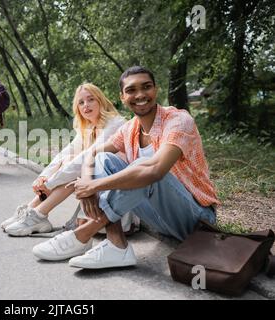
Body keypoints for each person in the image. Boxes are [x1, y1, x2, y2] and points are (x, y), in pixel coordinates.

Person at [32, 66, 219, 267]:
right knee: (104, 158)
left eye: (146, 87)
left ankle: (82, 234)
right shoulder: (129, 128)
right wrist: (86, 184)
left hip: (195, 220)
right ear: (122, 97)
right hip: (158, 218)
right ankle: (117, 246)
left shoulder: (179, 120)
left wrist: (95, 186)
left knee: (142, 168)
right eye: (131, 90)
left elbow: (155, 170)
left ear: (156, 90)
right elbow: (92, 155)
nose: (140, 94)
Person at [1, 83, 137, 239]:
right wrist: (43, 177)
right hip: (98, 187)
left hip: (118, 194)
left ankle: (38, 215)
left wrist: (50, 183)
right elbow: (66, 153)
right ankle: (31, 210)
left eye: (90, 99)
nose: (86, 105)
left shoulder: (115, 123)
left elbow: (86, 159)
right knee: (68, 158)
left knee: (78, 164)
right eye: (81, 102)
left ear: (101, 101)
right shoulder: (88, 128)